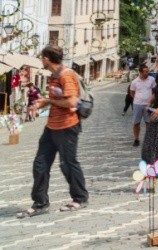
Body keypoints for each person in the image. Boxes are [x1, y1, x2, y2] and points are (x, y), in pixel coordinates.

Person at [16, 45, 89, 218]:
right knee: (40, 163)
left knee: (68, 163)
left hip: (67, 126)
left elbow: (72, 102)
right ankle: (40, 203)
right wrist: (46, 102)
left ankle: (80, 198)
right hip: (52, 126)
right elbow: (58, 99)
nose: (41, 60)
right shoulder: (54, 76)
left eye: (42, 57)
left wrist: (50, 102)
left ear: (47, 59)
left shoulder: (66, 75)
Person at [129, 64, 156, 147]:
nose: (147, 73)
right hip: (138, 104)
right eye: (145, 71)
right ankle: (136, 139)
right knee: (136, 123)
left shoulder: (152, 79)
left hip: (148, 104)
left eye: (148, 71)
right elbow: (132, 93)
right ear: (140, 72)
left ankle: (148, 140)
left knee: (148, 122)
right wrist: (138, 99)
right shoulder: (135, 82)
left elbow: (155, 91)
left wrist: (151, 101)